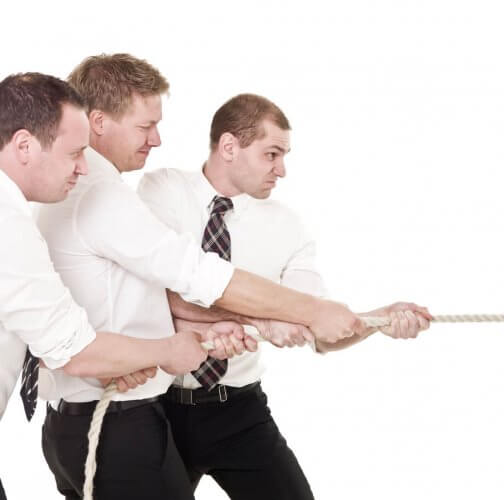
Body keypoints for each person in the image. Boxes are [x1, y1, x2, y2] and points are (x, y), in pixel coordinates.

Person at [36, 54, 372, 500]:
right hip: (116, 423)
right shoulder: (108, 193)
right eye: (144, 126)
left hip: (95, 414)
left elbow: (145, 296)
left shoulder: (74, 187)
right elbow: (194, 275)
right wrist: (309, 311)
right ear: (98, 121)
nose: (157, 139)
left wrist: (207, 326)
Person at [137, 93, 431, 498]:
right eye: (272, 154)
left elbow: (320, 327)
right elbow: (157, 293)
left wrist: (378, 320)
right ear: (229, 147)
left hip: (238, 411)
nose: (282, 170)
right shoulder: (163, 190)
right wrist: (254, 321)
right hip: (156, 409)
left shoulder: (288, 227)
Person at [0, 72, 210, 498]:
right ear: (24, 145)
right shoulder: (8, 223)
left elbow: (39, 332)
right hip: (115, 427)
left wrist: (116, 362)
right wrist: (167, 351)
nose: (83, 165)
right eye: (75, 152)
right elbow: (75, 351)